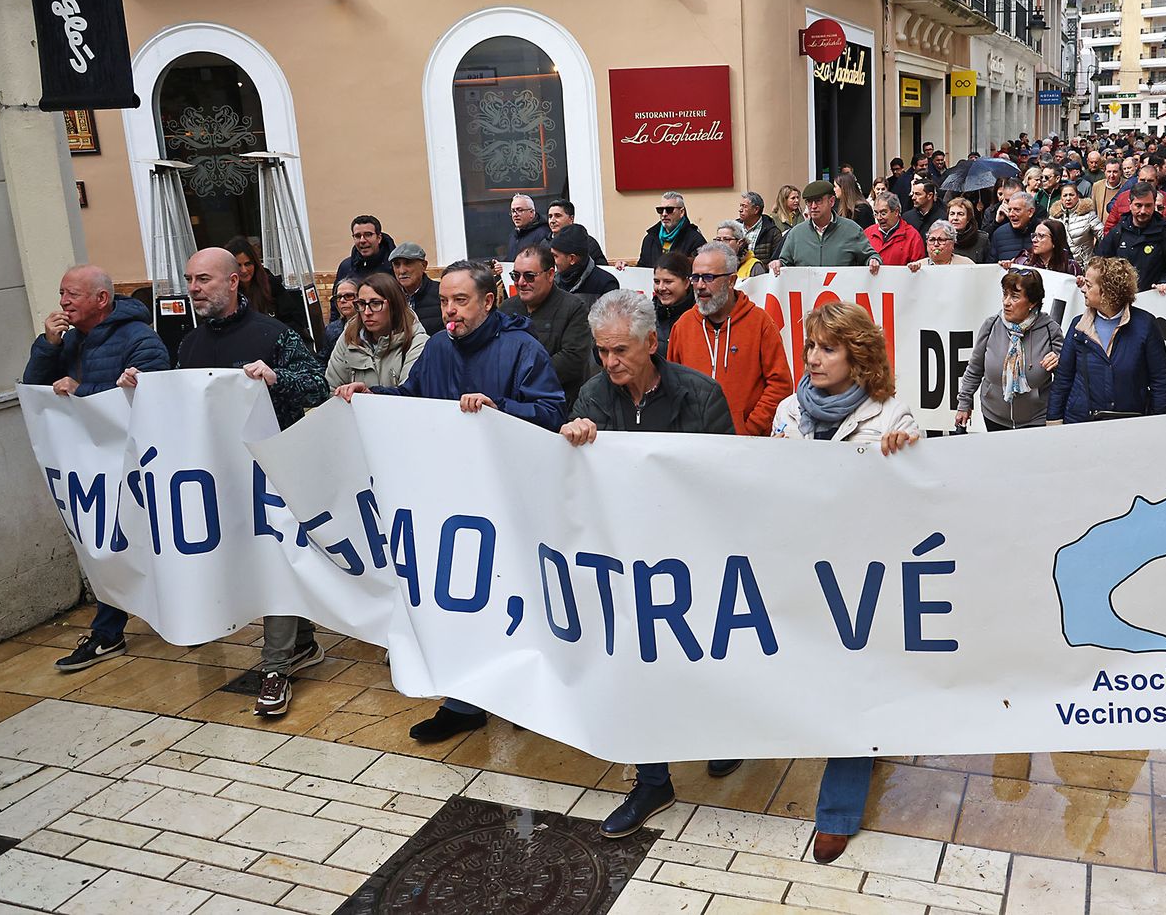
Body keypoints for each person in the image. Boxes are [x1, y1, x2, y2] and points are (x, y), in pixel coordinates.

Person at [336, 259, 564, 742]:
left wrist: (499, 409)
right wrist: (371, 394)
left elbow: (551, 414)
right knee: (460, 600)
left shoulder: (522, 348)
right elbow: (413, 397)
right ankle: (463, 701)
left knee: (508, 599)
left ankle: (523, 688)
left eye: (461, 301)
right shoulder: (438, 347)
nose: (450, 311)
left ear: (489, 301)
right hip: (449, 498)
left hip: (509, 501)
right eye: (444, 301)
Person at [558, 290, 740, 838]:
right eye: (601, 351)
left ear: (651, 344)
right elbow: (573, 484)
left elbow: (725, 478)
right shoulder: (593, 396)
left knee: (706, 655)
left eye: (619, 351)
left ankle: (726, 731)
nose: (609, 361)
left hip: (691, 555)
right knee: (636, 664)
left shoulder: (701, 395)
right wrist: (573, 440)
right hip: (625, 559)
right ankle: (653, 778)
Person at [122, 248, 330, 717]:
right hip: (217, 476)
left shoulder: (273, 333)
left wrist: (275, 378)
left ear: (233, 282)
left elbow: (316, 383)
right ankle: (299, 640)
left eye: (204, 280)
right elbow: (183, 406)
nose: (194, 288)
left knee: (275, 558)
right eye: (189, 280)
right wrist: (145, 389)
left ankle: (275, 664)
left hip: (269, 476)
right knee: (237, 557)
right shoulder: (190, 345)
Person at [768, 301, 920, 864]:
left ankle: (836, 811)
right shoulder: (788, 412)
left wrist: (907, 458)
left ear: (858, 357)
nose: (814, 358)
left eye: (828, 348)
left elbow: (916, 500)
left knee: (850, 682)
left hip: (862, 574)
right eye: (810, 346)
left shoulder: (892, 416)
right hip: (801, 566)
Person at [26, 265, 171, 673]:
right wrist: (48, 346)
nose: (63, 302)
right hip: (92, 465)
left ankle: (179, 616)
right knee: (107, 542)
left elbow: (154, 390)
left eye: (72, 294)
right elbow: (36, 391)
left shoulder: (140, 338)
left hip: (137, 465)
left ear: (101, 300)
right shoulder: (68, 342)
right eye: (61, 293)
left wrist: (82, 390)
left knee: (146, 544)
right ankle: (108, 632)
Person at [665, 243, 793, 436]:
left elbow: (780, 385)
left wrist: (749, 429)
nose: (700, 286)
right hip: (695, 444)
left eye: (708, 277)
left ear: (731, 280)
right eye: (695, 277)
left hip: (747, 445)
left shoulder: (760, 323)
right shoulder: (683, 326)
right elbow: (671, 385)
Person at [1046, 257, 1166, 424]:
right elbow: (1063, 379)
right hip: (1080, 423)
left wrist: (1159, 424)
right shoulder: (1078, 326)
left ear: (1107, 291)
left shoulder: (1146, 325)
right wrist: (1054, 421)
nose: (1083, 289)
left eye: (1089, 285)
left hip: (1130, 423)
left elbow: (1160, 382)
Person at [956, 269, 1064, 431]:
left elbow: (1066, 373)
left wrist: (1058, 360)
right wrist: (964, 403)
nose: (1006, 302)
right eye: (1005, 294)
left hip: (1037, 418)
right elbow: (975, 368)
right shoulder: (991, 325)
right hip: (994, 415)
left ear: (1032, 302)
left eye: (1014, 297)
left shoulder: (1050, 329)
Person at [502, 243, 593, 406]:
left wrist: (524, 375)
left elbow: (573, 359)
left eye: (529, 276)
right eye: (516, 275)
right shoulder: (506, 309)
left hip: (561, 404)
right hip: (514, 405)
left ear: (550, 275)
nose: (521, 282)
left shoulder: (574, 308)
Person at [324, 271, 428, 388]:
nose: (367, 312)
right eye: (362, 304)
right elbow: (332, 389)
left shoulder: (416, 341)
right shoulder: (349, 336)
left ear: (394, 305)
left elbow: (408, 395)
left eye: (375, 303)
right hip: (354, 406)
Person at [771, 181, 881, 274]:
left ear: (831, 201)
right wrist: (778, 264)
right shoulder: (796, 234)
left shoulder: (851, 230)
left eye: (818, 201)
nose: (813, 206)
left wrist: (873, 260)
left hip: (841, 296)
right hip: (808, 297)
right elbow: (785, 262)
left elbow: (869, 255)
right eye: (809, 202)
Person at [1095, 181, 1166, 290]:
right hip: (1121, 298)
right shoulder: (1118, 232)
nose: (1143, 211)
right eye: (1138, 205)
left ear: (1154, 204)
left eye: (1148, 206)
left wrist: (1165, 281)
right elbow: (1100, 263)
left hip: (1153, 298)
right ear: (1130, 204)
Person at [226, 237, 311, 344]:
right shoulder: (225, 290)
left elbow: (293, 318)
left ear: (255, 264)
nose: (244, 270)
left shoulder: (270, 283)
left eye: (248, 264)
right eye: (238, 265)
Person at [552, 224, 619, 311]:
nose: (552, 261)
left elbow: (609, 321)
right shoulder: (552, 282)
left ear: (572, 259)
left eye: (555, 256)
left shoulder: (606, 284)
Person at [637, 192, 707, 266]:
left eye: (669, 209)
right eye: (660, 210)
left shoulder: (695, 239)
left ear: (682, 212)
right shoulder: (650, 239)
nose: (664, 214)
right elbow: (641, 268)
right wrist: (627, 268)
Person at [389, 242, 443, 336]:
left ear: (424, 266)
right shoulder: (390, 298)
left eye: (408, 263)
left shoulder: (441, 293)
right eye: (397, 265)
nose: (402, 271)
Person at [865, 193, 928, 266]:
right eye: (876, 213)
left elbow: (919, 266)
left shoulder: (912, 236)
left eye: (883, 213)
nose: (879, 217)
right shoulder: (868, 233)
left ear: (896, 212)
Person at [651, 252, 694, 357]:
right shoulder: (646, 316)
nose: (661, 288)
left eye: (668, 282)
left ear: (686, 283)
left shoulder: (701, 316)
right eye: (657, 282)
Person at [335, 215, 396, 285]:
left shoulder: (395, 266)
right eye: (357, 236)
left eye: (368, 235)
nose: (362, 240)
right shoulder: (346, 267)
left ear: (379, 238)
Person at [1004, 218, 1078, 275]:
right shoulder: (1022, 262)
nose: (1034, 240)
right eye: (1034, 235)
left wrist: (1081, 282)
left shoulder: (1071, 267)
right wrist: (1005, 266)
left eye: (1041, 236)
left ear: (1055, 240)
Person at [546, 200, 609, 265]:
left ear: (571, 219)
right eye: (550, 216)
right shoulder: (543, 244)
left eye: (558, 216)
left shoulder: (588, 243)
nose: (552, 220)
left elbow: (601, 268)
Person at [1055, 182, 1104, 266]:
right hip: (1061, 265)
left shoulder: (1088, 215)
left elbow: (1102, 235)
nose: (1068, 198)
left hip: (1084, 265)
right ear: (1061, 198)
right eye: (1065, 195)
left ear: (1077, 196)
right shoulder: (1054, 216)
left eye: (1071, 195)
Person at [318, 278, 360, 364]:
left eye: (348, 296)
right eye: (338, 297)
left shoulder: (372, 326)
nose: (342, 301)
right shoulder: (331, 330)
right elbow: (322, 361)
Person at [989, 190, 1040, 262]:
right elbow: (991, 266)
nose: (1011, 214)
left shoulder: (1043, 233)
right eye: (1009, 210)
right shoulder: (998, 234)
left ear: (1030, 212)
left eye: (1017, 210)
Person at [498, 194, 552, 261]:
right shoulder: (514, 234)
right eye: (513, 211)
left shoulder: (544, 234)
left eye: (519, 210)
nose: (515, 215)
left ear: (531, 213)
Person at [738, 191, 785, 266]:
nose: (740, 210)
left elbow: (777, 260)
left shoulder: (772, 232)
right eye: (740, 206)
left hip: (760, 275)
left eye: (745, 206)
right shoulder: (734, 228)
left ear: (756, 210)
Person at [908, 220, 974, 270]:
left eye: (941, 240)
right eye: (932, 240)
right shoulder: (919, 267)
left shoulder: (967, 265)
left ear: (952, 243)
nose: (936, 244)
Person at [945, 198, 989, 263]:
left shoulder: (982, 239)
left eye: (960, 214)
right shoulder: (941, 239)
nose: (955, 218)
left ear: (968, 218)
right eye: (952, 214)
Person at [1090, 157, 1124, 222]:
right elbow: (1093, 210)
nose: (1111, 175)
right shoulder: (1097, 186)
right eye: (1109, 172)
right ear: (1104, 172)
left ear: (1120, 172)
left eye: (1115, 172)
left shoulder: (1127, 185)